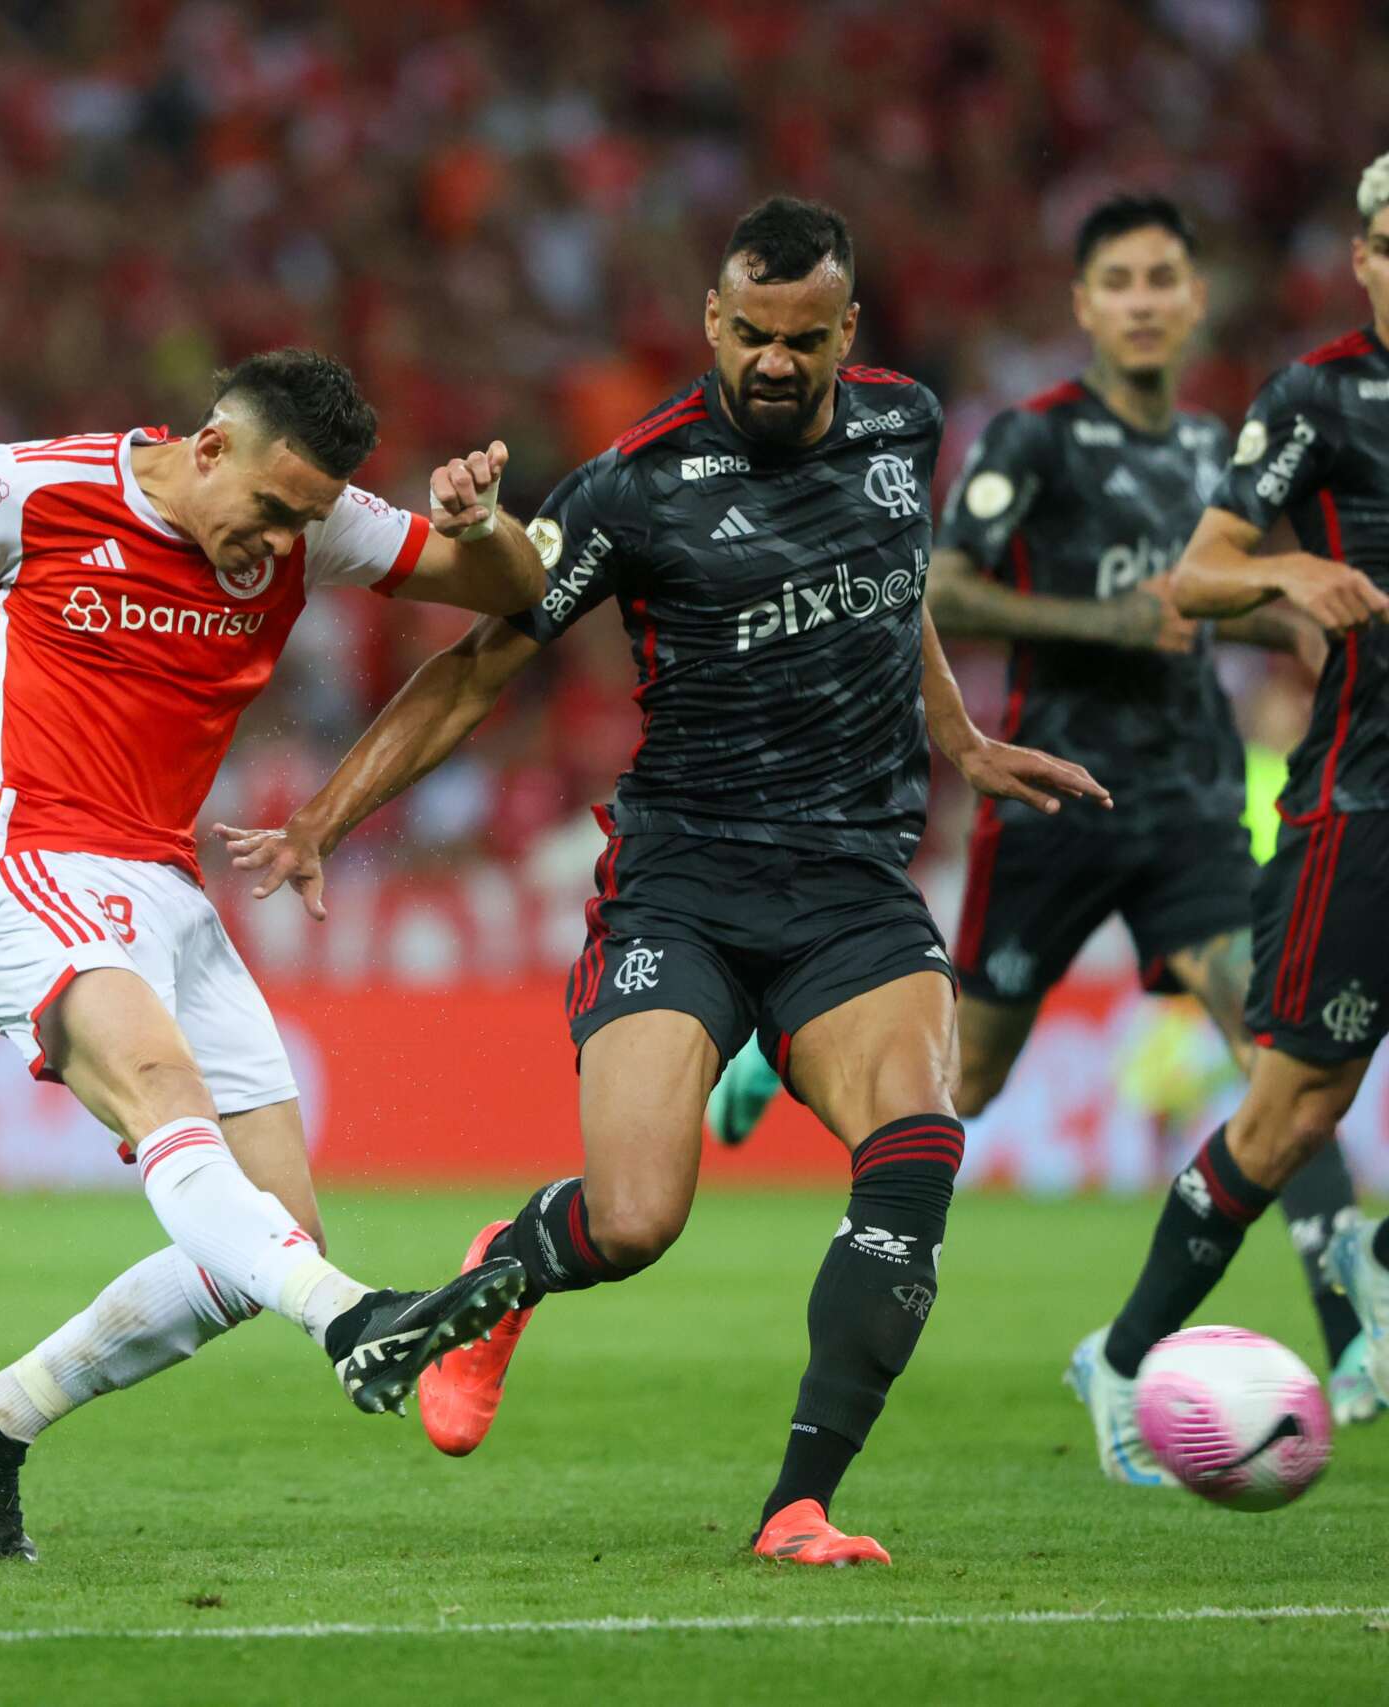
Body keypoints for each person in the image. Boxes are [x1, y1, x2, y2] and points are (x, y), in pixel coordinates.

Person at [225, 199, 1108, 1565]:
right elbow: (480, 668)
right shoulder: (636, 483)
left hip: (855, 888)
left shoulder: (905, 425)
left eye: (802, 340)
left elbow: (895, 580)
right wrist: (328, 817)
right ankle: (502, 1270)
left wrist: (960, 735)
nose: (772, 360)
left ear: (845, 332)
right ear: (712, 320)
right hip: (683, 885)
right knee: (635, 1218)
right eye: (750, 333)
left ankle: (797, 1502)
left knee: (920, 1144)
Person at [0, 349, 550, 1559]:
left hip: (168, 894)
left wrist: (481, 527)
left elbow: (515, 591)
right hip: (33, 865)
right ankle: (356, 1323)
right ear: (209, 447)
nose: (286, 542)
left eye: (310, 520)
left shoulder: (314, 522)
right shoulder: (21, 492)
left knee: (269, 1226)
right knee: (175, 1104)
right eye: (274, 510)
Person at [695, 193, 1377, 1437]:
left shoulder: (1212, 449)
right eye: (1117, 279)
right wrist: (1105, 624)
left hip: (1189, 800)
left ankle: (1352, 1338)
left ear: (1191, 298)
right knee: (971, 1078)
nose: (1143, 298)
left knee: (1276, 1053)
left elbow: (1219, 595)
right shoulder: (1035, 439)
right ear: (1085, 304)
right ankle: (775, 1048)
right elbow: (941, 584)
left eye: (1163, 276)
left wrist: (1299, 623)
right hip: (1056, 795)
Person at [1071, 155, 1389, 1458]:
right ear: (1367, 258)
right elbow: (1197, 578)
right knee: (1290, 1113)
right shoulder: (1322, 396)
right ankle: (1124, 1355)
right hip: (1362, 807)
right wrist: (1302, 571)